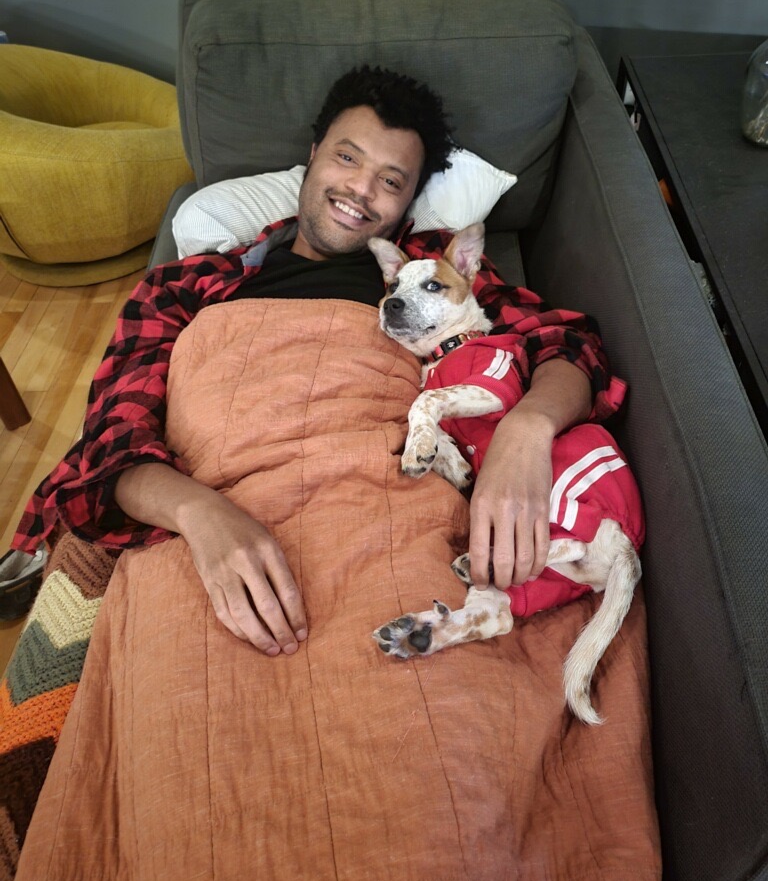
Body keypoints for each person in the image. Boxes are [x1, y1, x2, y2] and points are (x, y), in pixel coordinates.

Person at [11, 65, 622, 655]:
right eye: (348, 157)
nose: (360, 189)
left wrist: (528, 428)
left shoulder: (435, 274)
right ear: (313, 154)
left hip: (396, 513)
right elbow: (111, 437)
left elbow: (565, 342)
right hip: (215, 512)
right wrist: (199, 513)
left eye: (391, 180)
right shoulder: (187, 286)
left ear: (408, 201)